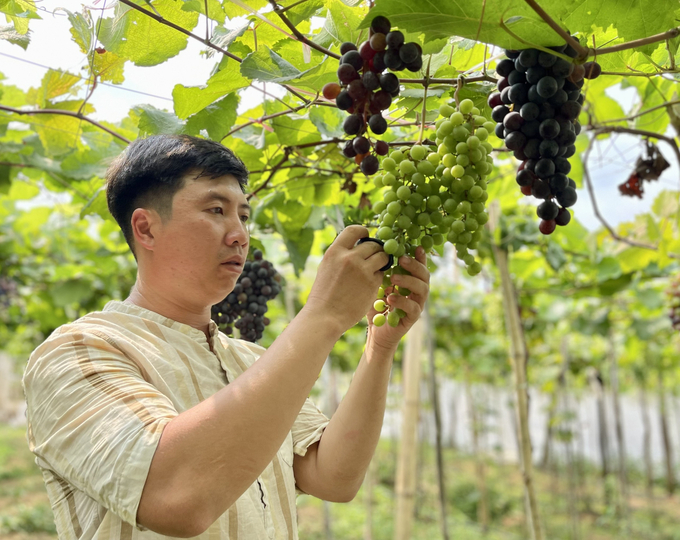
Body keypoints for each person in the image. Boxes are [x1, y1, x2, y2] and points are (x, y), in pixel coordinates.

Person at [22, 134, 430, 539]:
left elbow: (332, 475)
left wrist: (379, 348)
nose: (240, 235)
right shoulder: (77, 353)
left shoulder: (251, 361)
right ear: (145, 229)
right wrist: (323, 315)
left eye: (244, 216)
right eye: (216, 209)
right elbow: (175, 497)